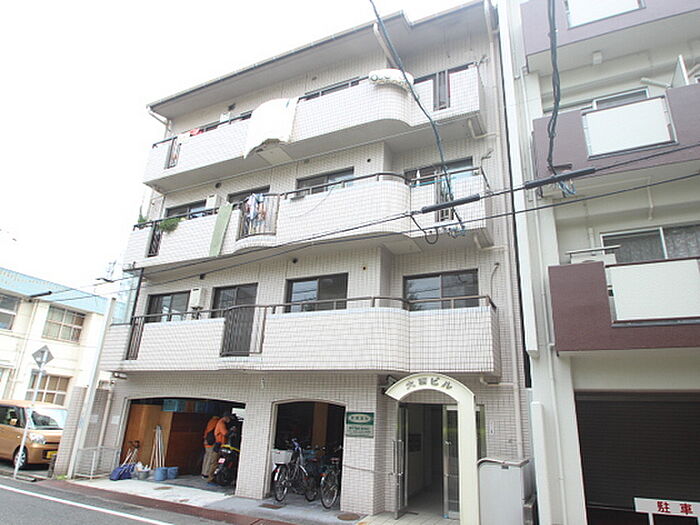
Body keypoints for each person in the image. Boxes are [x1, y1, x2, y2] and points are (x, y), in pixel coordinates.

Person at [208, 413, 232, 482]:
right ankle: (211, 478)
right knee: (215, 462)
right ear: (226, 417)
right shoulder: (221, 423)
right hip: (218, 445)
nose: (229, 420)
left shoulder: (221, 423)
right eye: (229, 418)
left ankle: (214, 477)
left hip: (220, 445)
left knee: (219, 462)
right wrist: (231, 430)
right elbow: (225, 433)